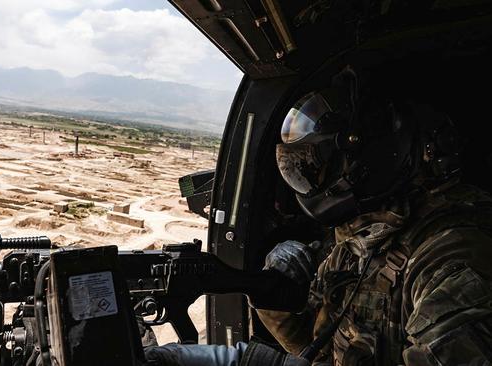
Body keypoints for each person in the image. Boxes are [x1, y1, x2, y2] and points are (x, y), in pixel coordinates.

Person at [145, 67, 492, 366]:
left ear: (375, 159)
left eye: (317, 169)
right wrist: (267, 295)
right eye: (303, 172)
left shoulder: (454, 258)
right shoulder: (361, 242)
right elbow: (314, 352)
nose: (311, 184)